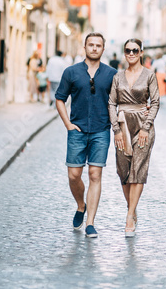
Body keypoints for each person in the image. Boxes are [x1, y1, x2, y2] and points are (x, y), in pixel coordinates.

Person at [55, 33, 117, 238]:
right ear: (85, 47)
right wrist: (68, 125)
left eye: (98, 45)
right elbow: (60, 99)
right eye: (91, 44)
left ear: (103, 49)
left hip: (101, 131)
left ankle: (90, 222)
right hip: (77, 131)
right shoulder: (71, 72)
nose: (94, 48)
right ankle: (80, 205)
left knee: (95, 175)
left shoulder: (111, 74)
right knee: (74, 175)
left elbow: (118, 101)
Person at [108, 38, 160, 237]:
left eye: (135, 50)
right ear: (124, 53)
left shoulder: (149, 75)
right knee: (124, 171)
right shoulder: (117, 76)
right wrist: (116, 130)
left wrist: (146, 127)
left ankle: (130, 215)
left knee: (138, 169)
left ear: (141, 52)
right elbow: (112, 103)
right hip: (122, 125)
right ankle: (133, 206)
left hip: (142, 126)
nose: (131, 54)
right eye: (128, 50)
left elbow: (155, 102)